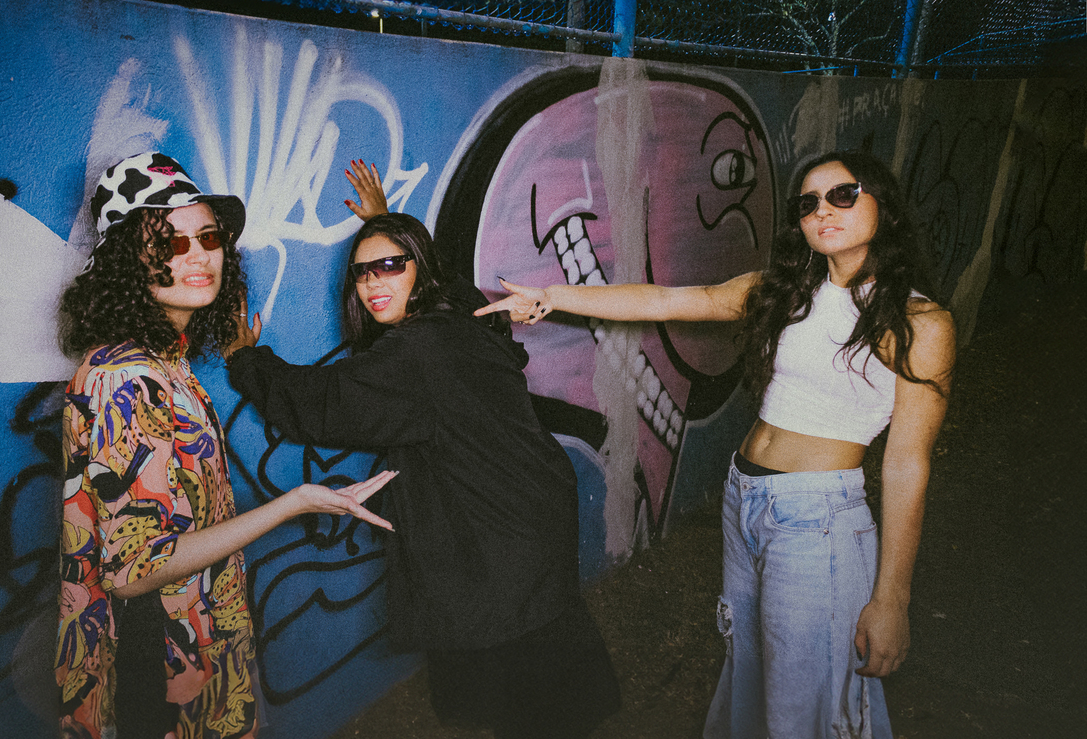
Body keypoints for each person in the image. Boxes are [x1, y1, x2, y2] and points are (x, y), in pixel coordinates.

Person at [475, 150, 956, 738]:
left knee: (807, 699)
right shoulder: (781, 293)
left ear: (885, 205)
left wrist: (892, 599)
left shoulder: (919, 323)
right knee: (749, 672)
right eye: (808, 203)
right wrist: (552, 295)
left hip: (820, 518)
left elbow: (907, 464)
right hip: (744, 498)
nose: (822, 211)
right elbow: (665, 301)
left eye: (843, 195)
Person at [224, 211, 622, 739]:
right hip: (530, 513)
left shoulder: (417, 351)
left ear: (420, 268)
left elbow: (322, 402)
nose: (373, 282)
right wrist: (386, 222)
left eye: (391, 265)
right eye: (362, 272)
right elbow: (444, 287)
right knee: (543, 656)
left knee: (529, 688)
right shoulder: (459, 316)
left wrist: (246, 359)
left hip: (501, 538)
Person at [55, 152, 395, 739]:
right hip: (156, 672)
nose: (198, 255)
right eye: (169, 242)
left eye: (207, 237)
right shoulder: (126, 379)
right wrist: (296, 502)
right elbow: (135, 572)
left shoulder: (166, 362)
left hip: (194, 648)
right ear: (129, 263)